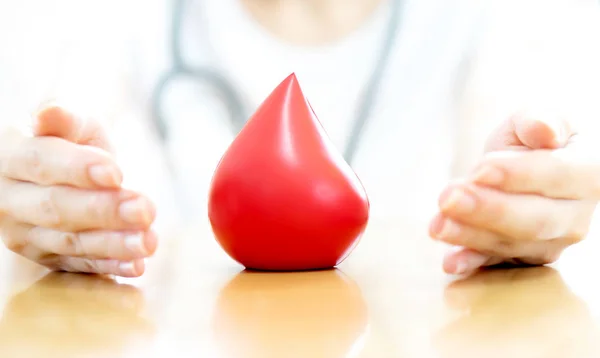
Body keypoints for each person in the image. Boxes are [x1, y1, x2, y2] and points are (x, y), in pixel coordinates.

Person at [0, 0, 599, 278]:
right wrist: (50, 184)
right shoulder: (128, 16)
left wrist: (520, 194)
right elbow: (61, 117)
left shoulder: (475, 17)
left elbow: (507, 124)